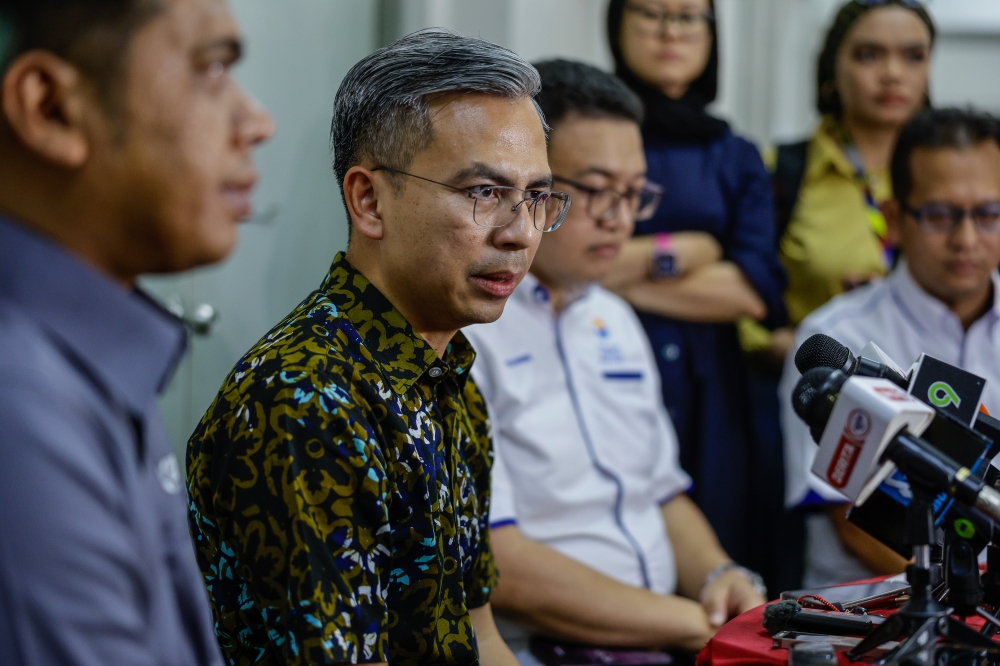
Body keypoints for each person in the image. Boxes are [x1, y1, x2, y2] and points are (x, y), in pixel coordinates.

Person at [187, 30, 565, 666]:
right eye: (484, 193)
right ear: (369, 200)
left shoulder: (448, 378)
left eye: (535, 197)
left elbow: (480, 634)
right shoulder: (306, 402)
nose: (521, 233)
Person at [465, 60, 766, 666]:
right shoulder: (471, 328)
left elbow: (661, 493)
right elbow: (496, 562)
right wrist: (694, 624)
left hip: (661, 636)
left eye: (633, 194)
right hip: (546, 649)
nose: (619, 218)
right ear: (532, 184)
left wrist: (719, 577)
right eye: (598, 190)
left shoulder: (615, 318)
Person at [0, 0, 274, 664]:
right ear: (51, 109)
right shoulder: (20, 401)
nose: (256, 123)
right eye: (211, 70)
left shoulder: (88, 353)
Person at [601, 0, 789, 588]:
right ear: (617, 24)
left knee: (719, 551)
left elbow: (749, 292)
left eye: (688, 17)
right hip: (607, 359)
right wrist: (688, 250)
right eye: (652, 14)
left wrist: (619, 275)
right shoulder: (590, 140)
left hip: (715, 391)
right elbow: (561, 257)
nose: (670, 32)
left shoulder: (735, 154)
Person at [781, 108, 1000, 587]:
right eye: (940, 215)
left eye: (988, 214)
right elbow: (852, 526)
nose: (967, 239)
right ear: (894, 218)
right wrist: (977, 597)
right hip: (879, 608)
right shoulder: (838, 337)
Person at [744, 0, 935, 361]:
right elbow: (742, 303)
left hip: (934, 380)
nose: (893, 73)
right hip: (812, 379)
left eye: (913, 56)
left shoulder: (951, 177)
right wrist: (797, 347)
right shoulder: (782, 170)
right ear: (832, 66)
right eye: (869, 55)